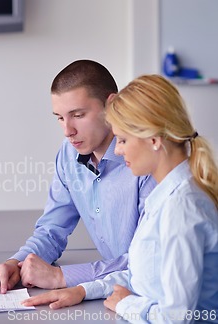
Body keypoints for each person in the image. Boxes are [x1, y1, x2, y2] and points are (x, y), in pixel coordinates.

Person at [22, 74, 218, 323]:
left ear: (154, 140)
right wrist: (83, 290)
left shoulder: (182, 208)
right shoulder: (165, 196)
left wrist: (126, 304)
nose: (117, 149)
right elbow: (140, 273)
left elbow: (177, 317)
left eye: (123, 140)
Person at [0, 60, 156, 294]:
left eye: (78, 115)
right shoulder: (69, 153)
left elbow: (149, 261)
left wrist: (62, 277)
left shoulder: (146, 162)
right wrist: (16, 264)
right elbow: (52, 230)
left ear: (111, 105)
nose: (67, 130)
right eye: (60, 118)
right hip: (118, 294)